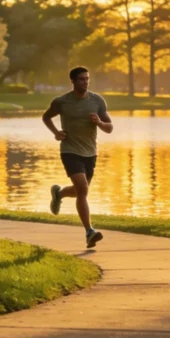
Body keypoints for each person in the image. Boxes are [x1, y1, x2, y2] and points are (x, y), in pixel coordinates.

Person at [42, 66, 113, 248]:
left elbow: (110, 128)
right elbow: (46, 117)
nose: (85, 82)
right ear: (73, 81)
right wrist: (56, 133)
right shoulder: (62, 102)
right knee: (82, 189)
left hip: (90, 152)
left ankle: (59, 193)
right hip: (70, 150)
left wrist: (99, 122)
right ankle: (89, 232)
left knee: (81, 191)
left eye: (87, 79)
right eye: (82, 79)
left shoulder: (97, 101)